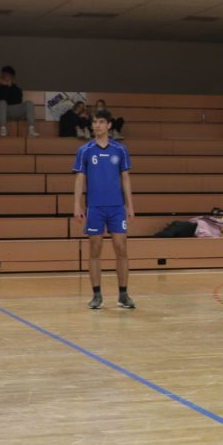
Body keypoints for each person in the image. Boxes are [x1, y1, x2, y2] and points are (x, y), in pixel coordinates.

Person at [73, 110, 135, 311]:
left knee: (121, 249)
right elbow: (80, 178)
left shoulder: (120, 150)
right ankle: (97, 295)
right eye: (94, 122)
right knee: (95, 250)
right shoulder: (85, 150)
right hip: (95, 208)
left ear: (108, 125)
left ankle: (123, 295)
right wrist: (77, 205)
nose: (97, 125)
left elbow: (125, 178)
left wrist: (130, 205)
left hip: (117, 208)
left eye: (101, 122)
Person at [0, 66, 38, 138]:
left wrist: (9, 86)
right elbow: (1, 99)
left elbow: (16, 100)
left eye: (7, 75)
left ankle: (31, 129)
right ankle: (3, 129)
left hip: (16, 111)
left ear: (12, 77)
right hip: (5, 112)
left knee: (29, 103)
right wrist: (5, 87)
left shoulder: (18, 89)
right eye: (3, 75)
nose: (4, 77)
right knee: (2, 102)